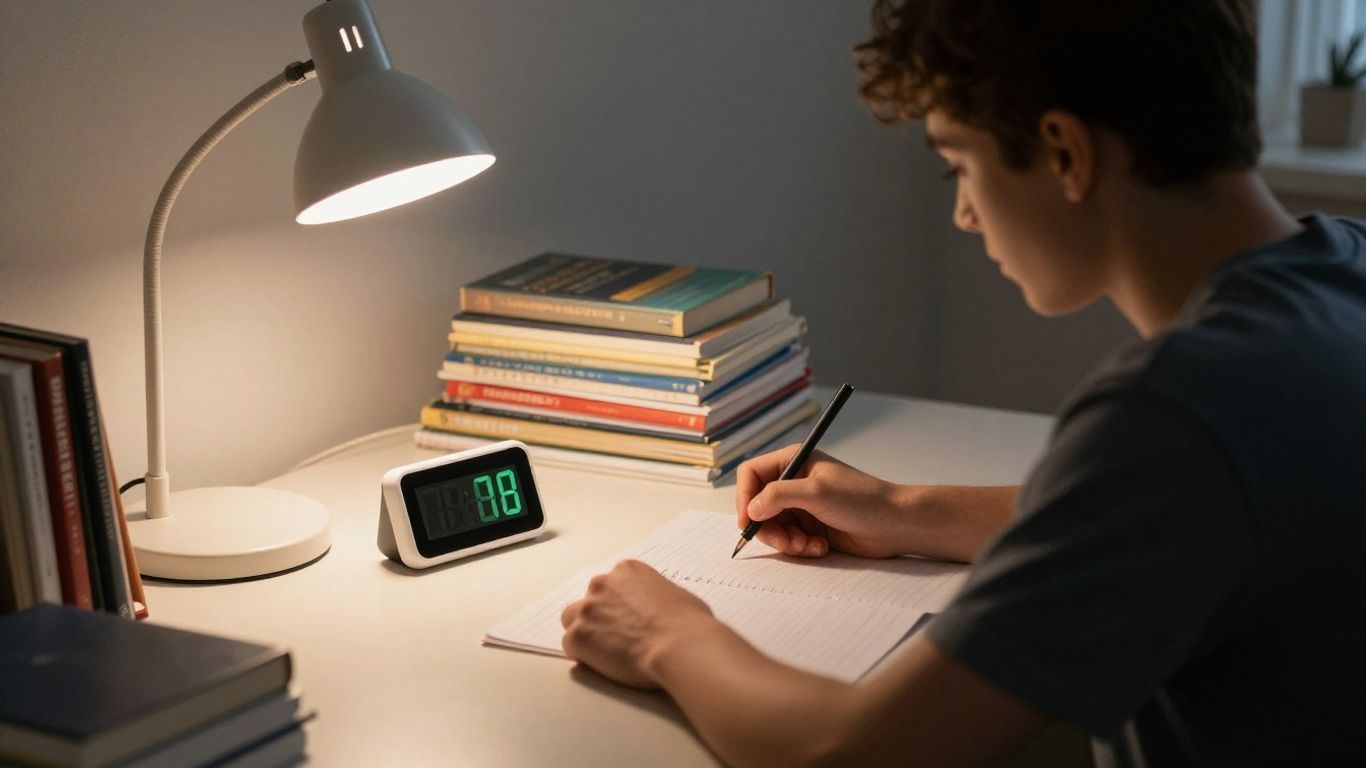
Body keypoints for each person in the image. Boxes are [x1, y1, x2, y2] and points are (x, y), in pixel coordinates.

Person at [558, 0, 1366, 765]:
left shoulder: (1177, 410)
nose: (965, 218)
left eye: (959, 168)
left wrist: (666, 635)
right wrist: (906, 511)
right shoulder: (1342, 274)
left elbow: (856, 752)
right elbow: (1196, 515)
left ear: (1063, 152)